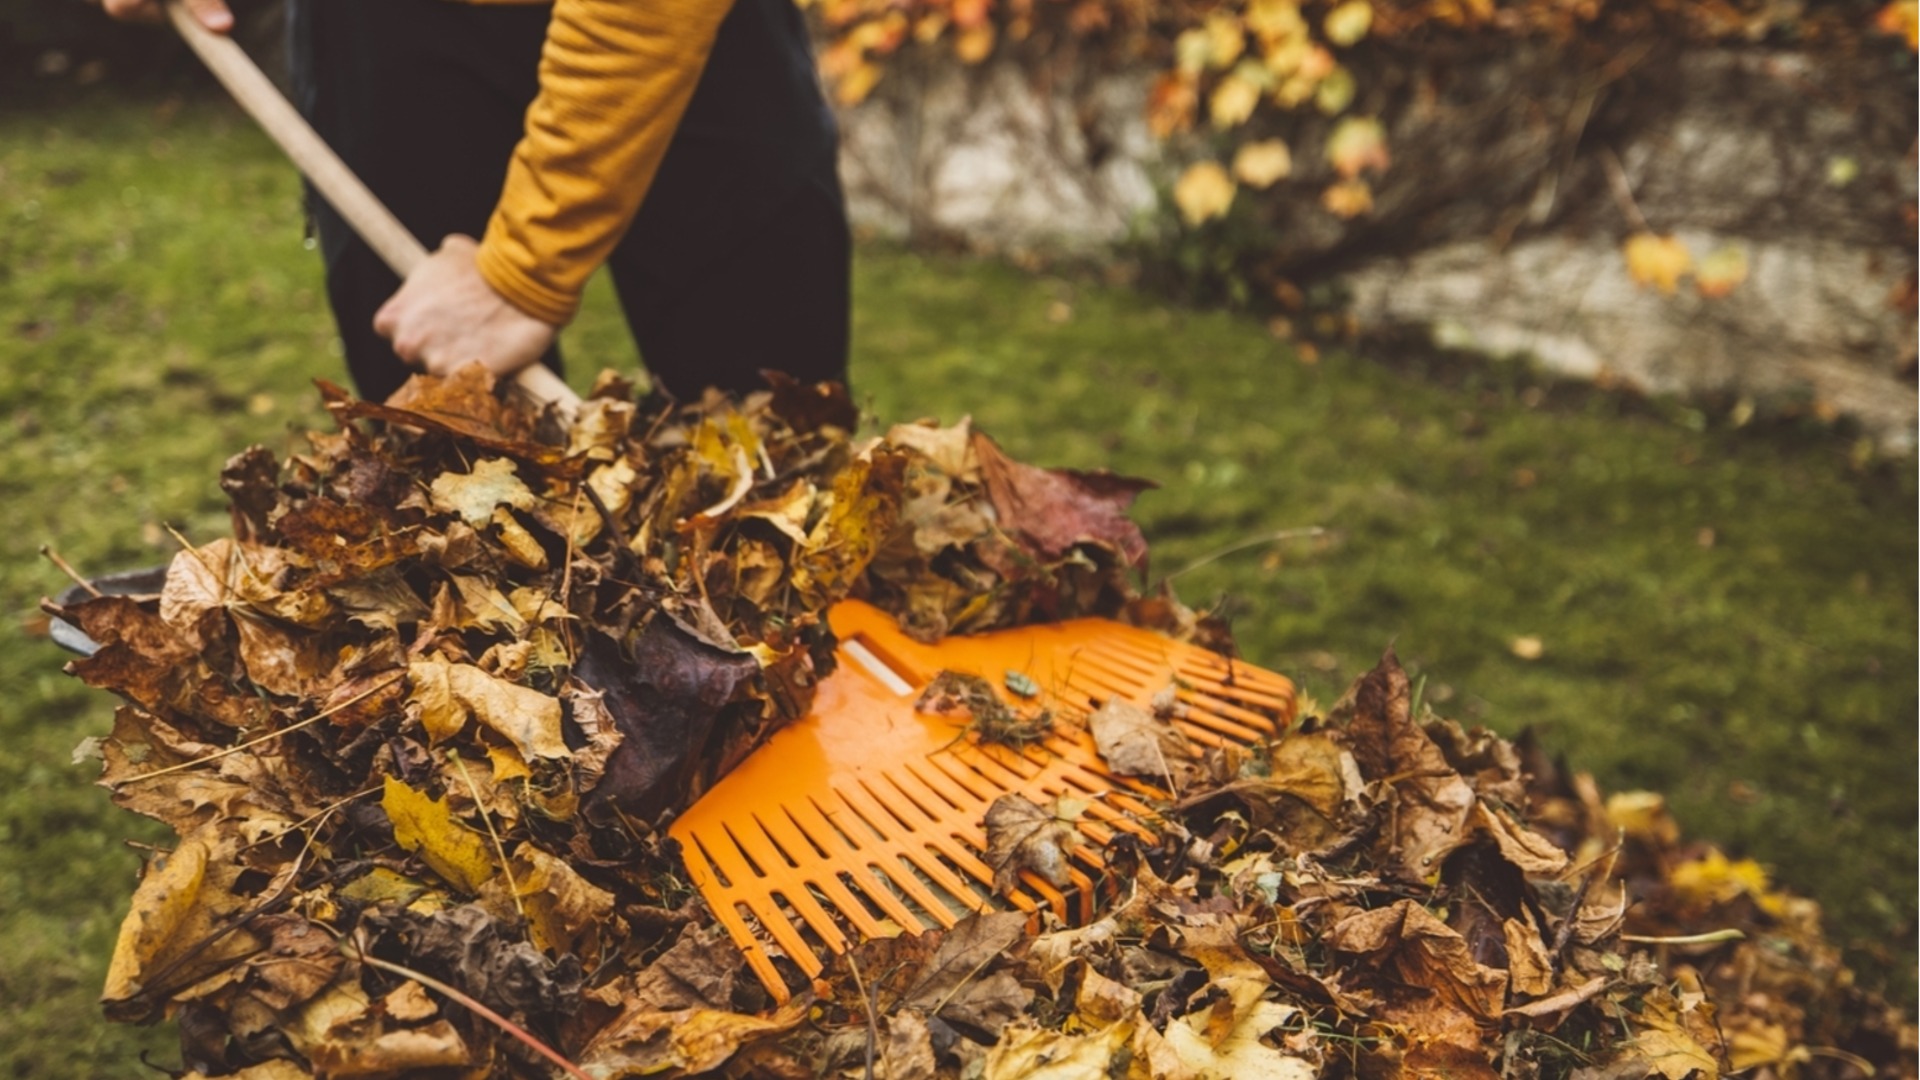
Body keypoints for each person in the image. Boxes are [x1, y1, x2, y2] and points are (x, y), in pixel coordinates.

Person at [102, 0, 851, 403]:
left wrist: (524, 268)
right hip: (383, 31)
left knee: (775, 445)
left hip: (674, 23)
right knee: (451, 483)